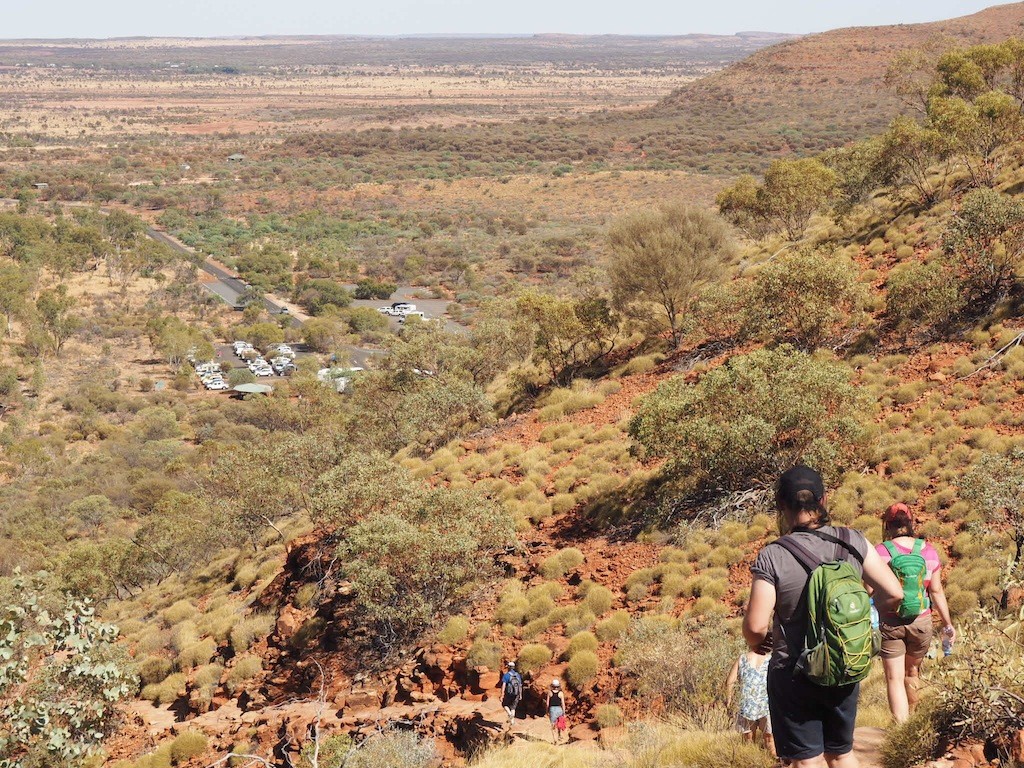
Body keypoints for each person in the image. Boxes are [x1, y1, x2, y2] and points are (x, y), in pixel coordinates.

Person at [744, 466, 903, 768]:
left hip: (794, 673)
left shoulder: (773, 555)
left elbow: (755, 626)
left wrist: (758, 642)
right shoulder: (852, 541)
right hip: (844, 663)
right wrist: (852, 612)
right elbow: (894, 593)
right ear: (823, 499)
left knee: (808, 760)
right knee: (842, 753)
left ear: (781, 504)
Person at [875, 503, 955, 724]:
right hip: (921, 621)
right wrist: (947, 624)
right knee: (912, 672)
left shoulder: (880, 552)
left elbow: (869, 590)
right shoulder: (928, 550)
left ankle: (902, 729)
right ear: (911, 522)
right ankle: (913, 720)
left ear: (888, 525)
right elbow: (936, 591)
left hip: (891, 623)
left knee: (894, 677)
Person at [725, 638, 776, 756]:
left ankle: (750, 762)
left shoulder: (742, 658)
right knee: (770, 739)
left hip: (747, 703)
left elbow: (730, 681)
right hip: (766, 703)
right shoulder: (770, 659)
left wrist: (729, 700)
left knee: (748, 740)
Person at [500, 661, 522, 726]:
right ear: (514, 667)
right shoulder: (518, 675)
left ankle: (510, 715)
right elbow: (520, 685)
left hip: (509, 694)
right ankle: (512, 722)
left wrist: (502, 694)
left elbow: (503, 685)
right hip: (516, 694)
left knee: (504, 704)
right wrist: (520, 694)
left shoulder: (506, 675)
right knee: (513, 707)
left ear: (508, 667)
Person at [545, 678, 568, 743]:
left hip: (552, 710)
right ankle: (559, 735)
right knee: (559, 723)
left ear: (552, 685)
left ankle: (555, 740)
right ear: (558, 686)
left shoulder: (549, 693)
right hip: (559, 709)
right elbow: (563, 704)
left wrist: (547, 711)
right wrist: (564, 713)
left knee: (553, 725)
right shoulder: (561, 693)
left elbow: (547, 703)